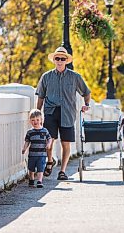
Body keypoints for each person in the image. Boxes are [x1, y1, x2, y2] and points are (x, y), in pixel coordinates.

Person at [36, 47, 91, 180]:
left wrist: (86, 105)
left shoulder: (75, 77)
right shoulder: (46, 77)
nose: (60, 61)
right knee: (48, 141)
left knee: (65, 143)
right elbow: (41, 96)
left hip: (68, 113)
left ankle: (62, 171)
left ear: (66, 61)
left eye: (62, 58)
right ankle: (50, 161)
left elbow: (86, 92)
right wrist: (38, 113)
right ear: (54, 60)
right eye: (57, 58)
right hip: (50, 112)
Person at [22, 109, 51, 188]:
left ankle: (39, 181)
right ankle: (31, 180)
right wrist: (24, 148)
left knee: (40, 168)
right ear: (30, 121)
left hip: (42, 154)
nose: (35, 122)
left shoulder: (44, 131)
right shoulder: (30, 132)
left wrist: (48, 144)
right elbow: (27, 141)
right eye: (33, 120)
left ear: (41, 120)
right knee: (31, 168)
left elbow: (49, 138)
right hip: (32, 154)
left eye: (37, 120)